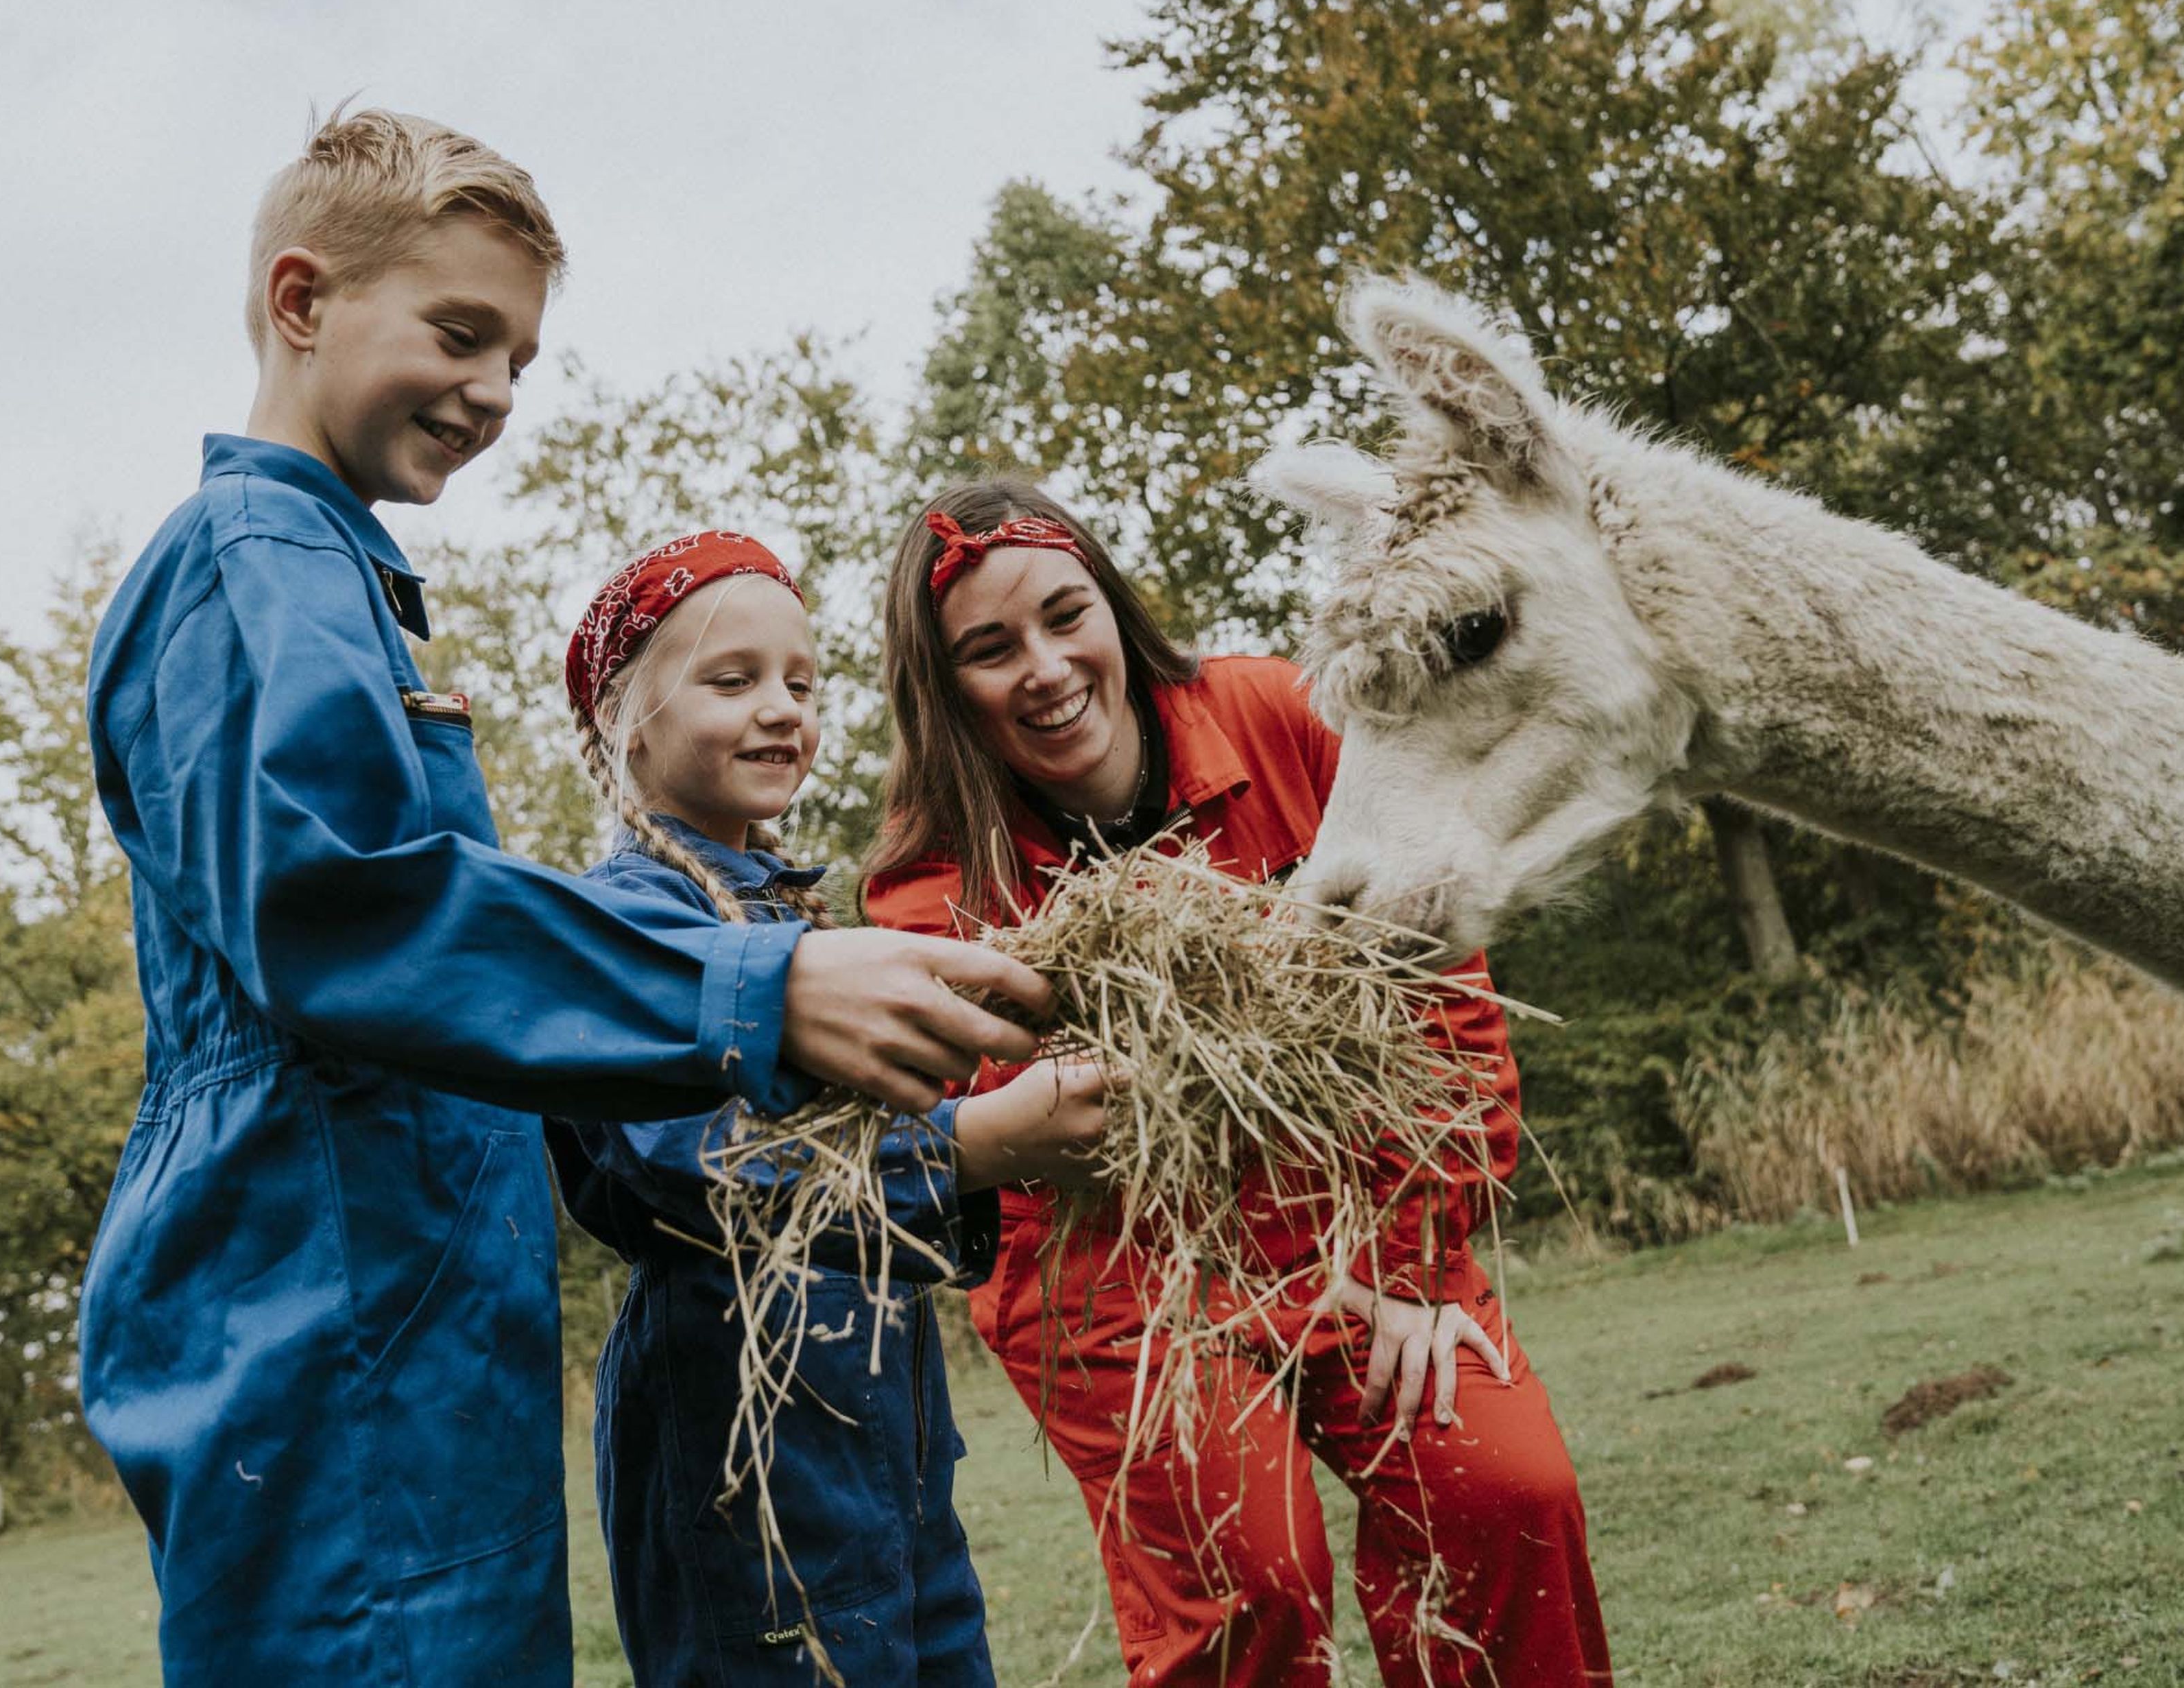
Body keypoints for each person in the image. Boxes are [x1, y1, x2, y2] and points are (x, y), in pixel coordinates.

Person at [79, 110, 1046, 1683]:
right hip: (315, 1311)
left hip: (409, 1312)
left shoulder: (330, 577)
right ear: (301, 299)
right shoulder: (252, 561)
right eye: (459, 335)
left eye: (520, 361)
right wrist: (766, 993)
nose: (491, 394)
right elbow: (349, 911)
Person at [861, 479, 1614, 1688]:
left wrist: (1411, 1262)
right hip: (1122, 1279)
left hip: (1361, 1228)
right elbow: (962, 1130)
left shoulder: (1289, 717)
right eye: (991, 651)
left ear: (1111, 606)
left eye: (1066, 615)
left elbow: (1450, 1003)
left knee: (1505, 1491)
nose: (1047, 668)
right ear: (944, 689)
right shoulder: (933, 879)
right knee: (1253, 1576)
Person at [544, 530, 1114, 1685]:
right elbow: (698, 1166)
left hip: (883, 1431)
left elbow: (871, 1154)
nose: (782, 711)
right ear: (626, 717)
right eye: (733, 680)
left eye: (803, 683)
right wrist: (978, 1147)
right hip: (735, 1442)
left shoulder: (790, 919)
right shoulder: (625, 928)